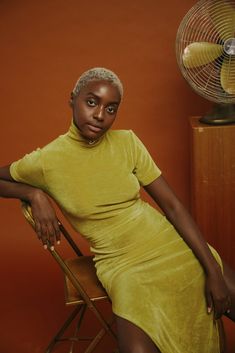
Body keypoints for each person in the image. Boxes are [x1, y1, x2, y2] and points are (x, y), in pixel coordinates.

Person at [0, 67, 234, 353]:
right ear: (72, 99)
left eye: (111, 108)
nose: (100, 115)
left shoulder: (128, 143)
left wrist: (212, 271)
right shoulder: (47, 160)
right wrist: (33, 193)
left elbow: (172, 206)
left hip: (166, 242)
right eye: (91, 102)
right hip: (121, 264)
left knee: (227, 287)